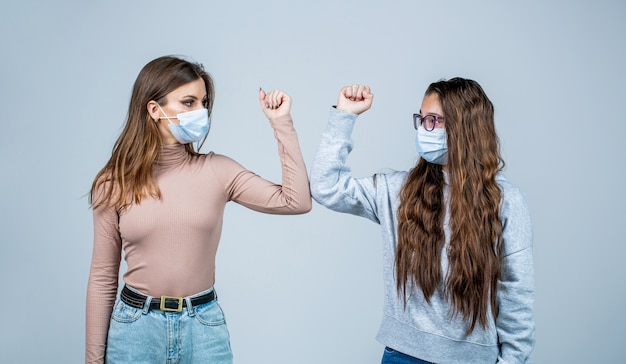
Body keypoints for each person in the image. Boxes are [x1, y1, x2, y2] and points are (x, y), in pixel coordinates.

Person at [86, 55, 311, 363]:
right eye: (188, 102)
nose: (201, 112)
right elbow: (102, 276)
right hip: (135, 330)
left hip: (203, 327)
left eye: (203, 102)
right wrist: (93, 359)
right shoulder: (114, 182)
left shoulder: (217, 171)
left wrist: (281, 123)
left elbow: (296, 200)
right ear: (154, 109)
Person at [310, 79, 535, 363]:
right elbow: (325, 187)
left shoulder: (506, 200)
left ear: (463, 127)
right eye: (421, 119)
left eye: (433, 120)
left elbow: (517, 290)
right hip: (402, 355)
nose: (423, 129)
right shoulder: (399, 191)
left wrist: (512, 360)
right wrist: (345, 116)